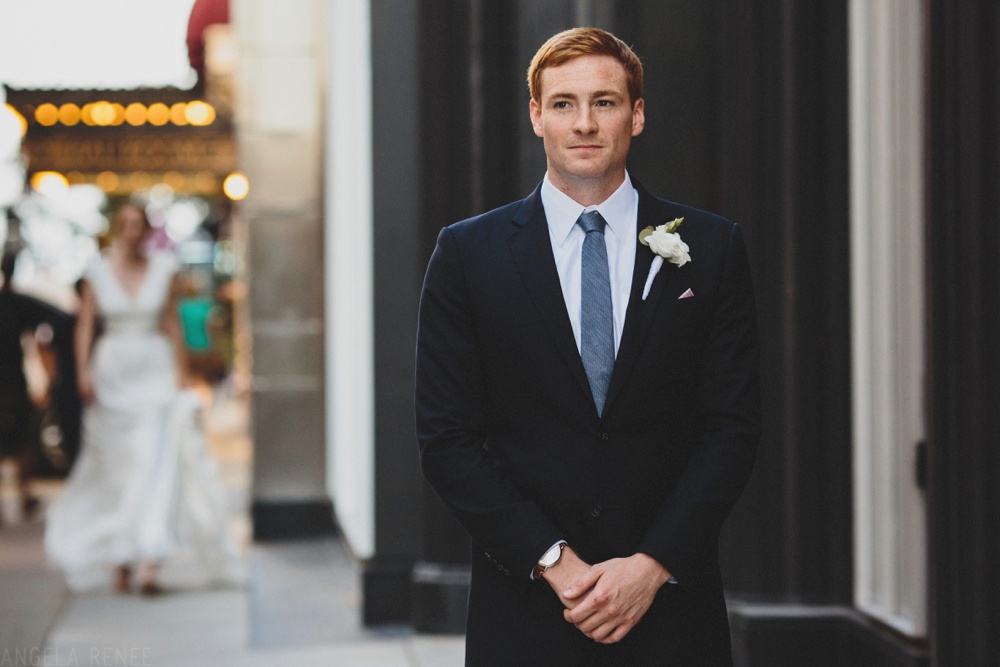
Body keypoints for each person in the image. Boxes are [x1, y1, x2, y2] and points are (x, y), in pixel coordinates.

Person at [415, 27, 760, 665]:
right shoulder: (467, 254)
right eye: (565, 103)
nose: (585, 123)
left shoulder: (711, 249)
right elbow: (447, 438)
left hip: (671, 610)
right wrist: (556, 563)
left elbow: (733, 429)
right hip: (526, 609)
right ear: (536, 116)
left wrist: (652, 566)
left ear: (638, 114)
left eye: (604, 101)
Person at [45, 203, 240, 595]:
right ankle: (120, 556)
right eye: (126, 224)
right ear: (117, 229)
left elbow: (171, 322)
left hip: (154, 371)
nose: (133, 231)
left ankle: (148, 557)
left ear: (148, 230)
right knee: (121, 470)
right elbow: (87, 323)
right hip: (114, 375)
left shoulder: (164, 269)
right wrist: (83, 371)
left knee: (155, 464)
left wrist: (181, 375)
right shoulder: (98, 272)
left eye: (139, 224)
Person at [0, 247, 74, 521]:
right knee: (20, 441)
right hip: (13, 381)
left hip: (12, 380)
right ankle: (24, 494)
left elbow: (47, 334)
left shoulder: (16, 303)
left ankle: (24, 493)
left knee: (20, 439)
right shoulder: (17, 303)